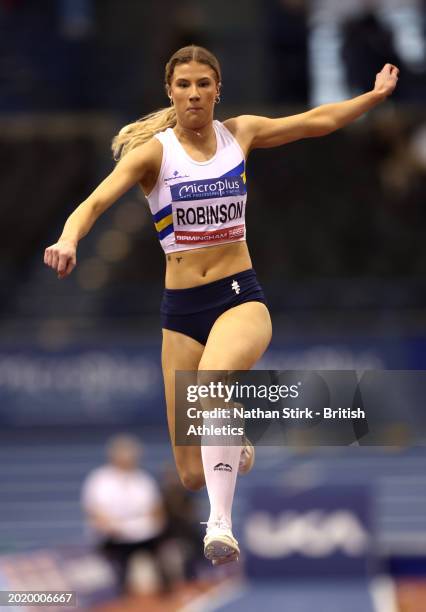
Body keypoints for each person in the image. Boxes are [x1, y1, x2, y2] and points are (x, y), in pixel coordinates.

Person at [44, 45, 399, 565]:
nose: (194, 93)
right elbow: (95, 202)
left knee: (212, 385)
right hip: (180, 313)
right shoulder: (155, 154)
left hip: (239, 298)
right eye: (184, 84)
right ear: (171, 91)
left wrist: (373, 96)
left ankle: (221, 524)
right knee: (189, 473)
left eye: (203, 84)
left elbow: (315, 121)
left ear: (217, 89)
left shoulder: (242, 133)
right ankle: (234, 439)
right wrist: (69, 239)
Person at [81, 434, 169, 592]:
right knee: (119, 569)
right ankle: (121, 593)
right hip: (113, 537)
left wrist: (153, 524)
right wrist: (115, 527)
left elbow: (156, 510)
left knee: (162, 555)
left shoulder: (143, 479)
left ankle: (166, 594)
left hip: (143, 534)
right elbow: (94, 511)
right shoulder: (100, 479)